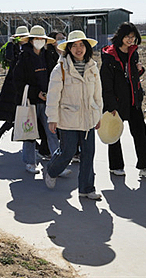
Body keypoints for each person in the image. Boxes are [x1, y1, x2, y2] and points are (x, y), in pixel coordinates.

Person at [44, 30, 103, 200]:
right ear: (68, 48)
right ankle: (52, 170)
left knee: (88, 154)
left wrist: (98, 115)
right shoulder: (60, 68)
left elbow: (97, 94)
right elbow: (53, 95)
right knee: (67, 152)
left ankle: (86, 188)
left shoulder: (92, 67)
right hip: (68, 118)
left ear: (86, 47)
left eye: (81, 45)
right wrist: (52, 118)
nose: (79, 49)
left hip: (88, 118)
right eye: (74, 45)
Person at [101, 22, 146, 179]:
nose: (130, 40)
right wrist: (111, 104)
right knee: (115, 134)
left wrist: (139, 71)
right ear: (120, 36)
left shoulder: (133, 53)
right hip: (117, 102)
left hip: (133, 100)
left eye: (133, 37)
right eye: (127, 37)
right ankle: (116, 166)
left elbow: (130, 76)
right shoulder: (109, 56)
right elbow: (106, 84)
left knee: (140, 132)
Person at [13, 25, 58, 174]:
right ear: (31, 40)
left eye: (41, 39)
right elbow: (18, 81)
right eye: (36, 38)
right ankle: (30, 162)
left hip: (47, 100)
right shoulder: (23, 57)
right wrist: (35, 92)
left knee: (52, 131)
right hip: (31, 101)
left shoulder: (49, 56)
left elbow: (56, 76)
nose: (39, 41)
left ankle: (58, 163)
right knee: (29, 132)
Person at [0, 25, 30, 144]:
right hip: (12, 83)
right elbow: (9, 58)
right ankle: (2, 131)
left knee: (25, 112)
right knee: (14, 112)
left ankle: (3, 131)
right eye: (20, 36)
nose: (23, 39)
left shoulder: (30, 47)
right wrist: (11, 44)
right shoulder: (12, 47)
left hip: (27, 82)